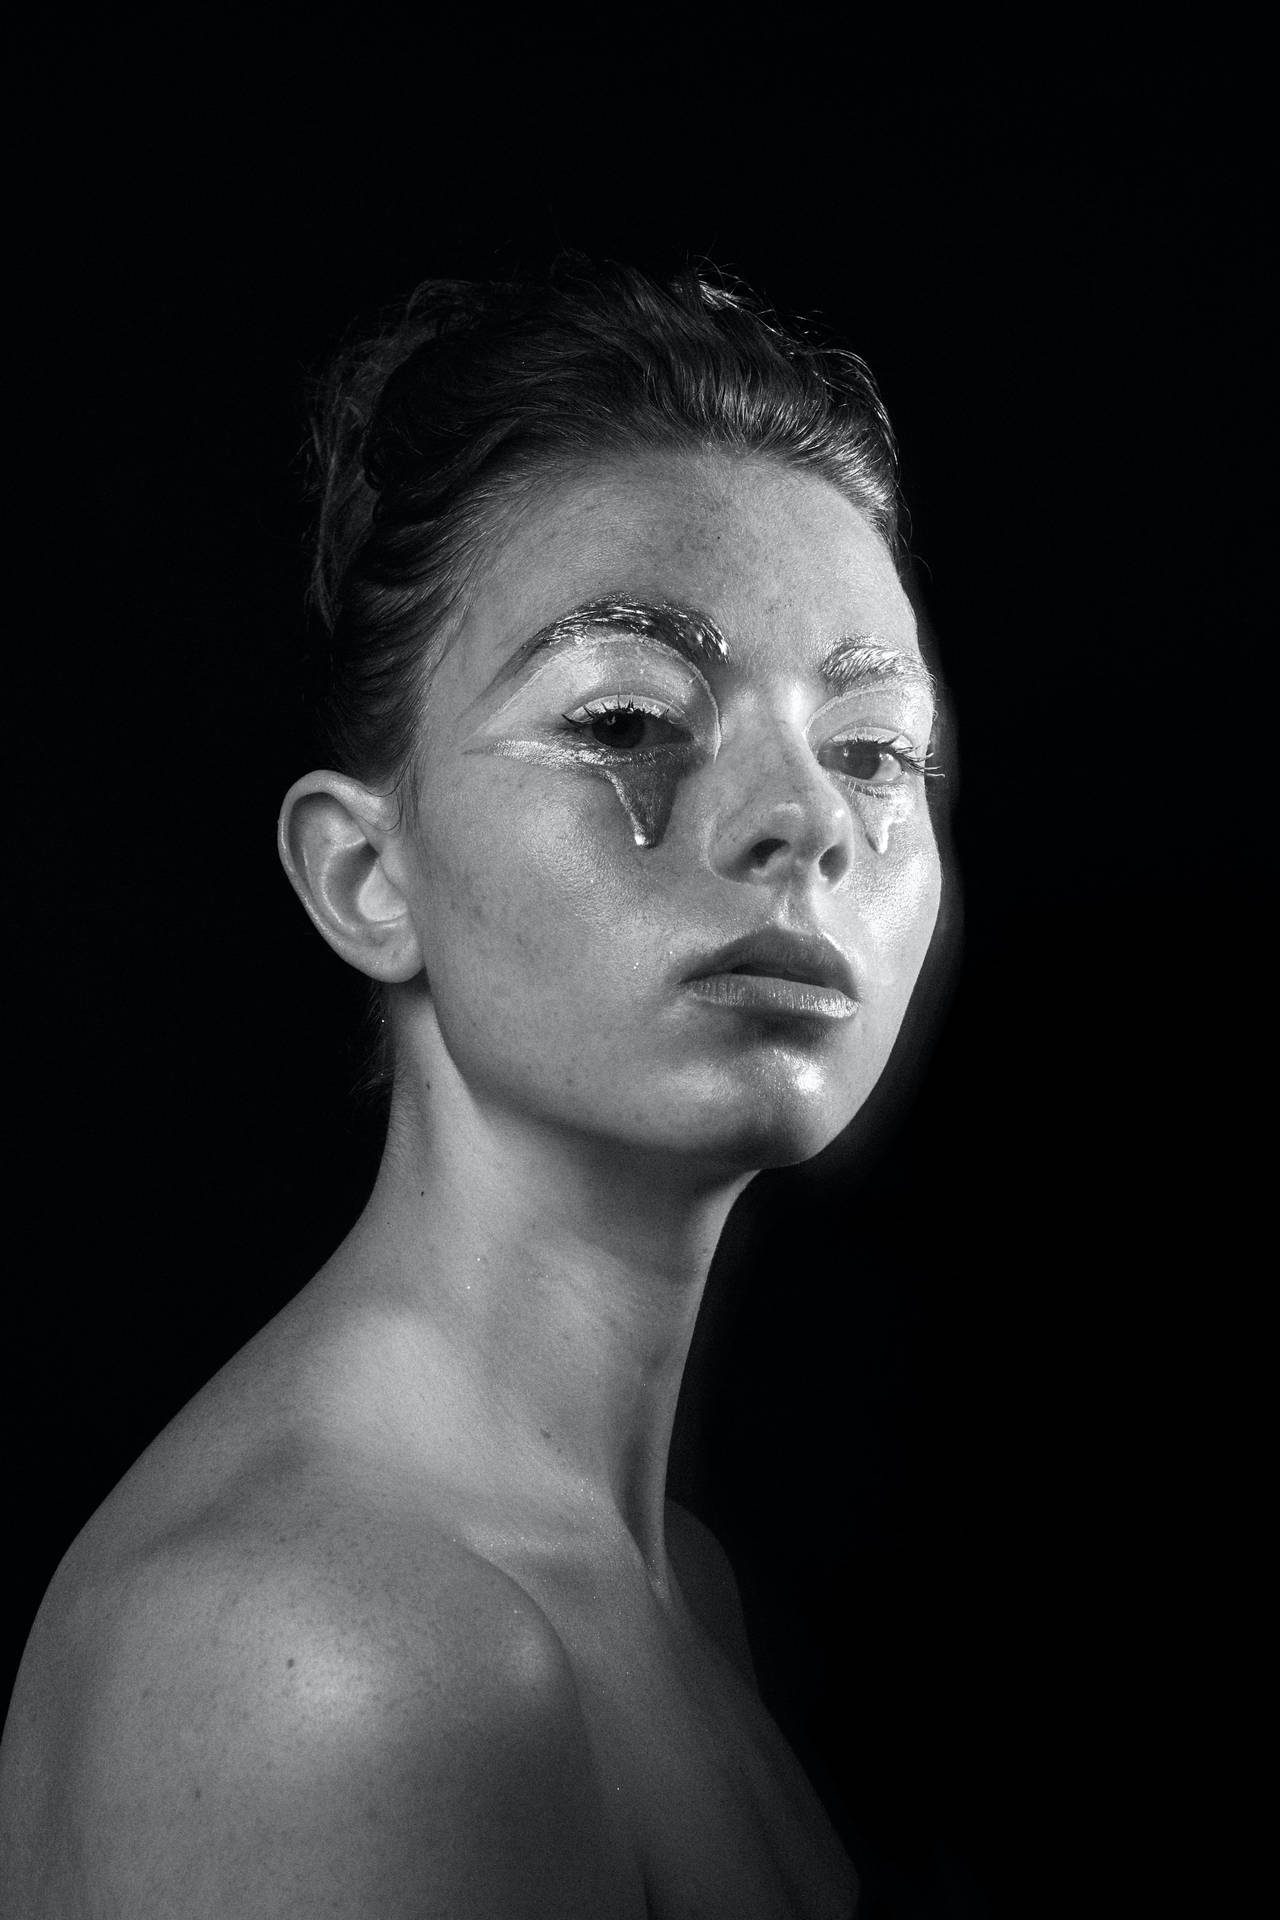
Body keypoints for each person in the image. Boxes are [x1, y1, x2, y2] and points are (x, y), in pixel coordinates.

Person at [1, 260, 946, 1917]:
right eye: (630, 717)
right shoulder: (344, 1652)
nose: (804, 820)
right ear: (371, 877)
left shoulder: (661, 1585)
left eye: (872, 747)